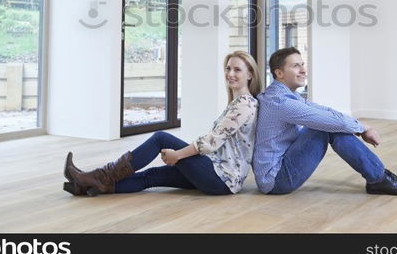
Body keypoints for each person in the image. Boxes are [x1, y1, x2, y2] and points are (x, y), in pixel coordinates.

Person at [64, 50, 262, 197]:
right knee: (152, 176)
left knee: (161, 138)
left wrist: (178, 154)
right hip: (217, 174)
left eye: (237, 69)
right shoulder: (237, 103)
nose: (230, 73)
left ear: (250, 74)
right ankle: (90, 185)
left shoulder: (245, 104)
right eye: (228, 68)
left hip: (221, 178)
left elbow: (210, 141)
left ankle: (99, 176)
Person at [252, 47, 397, 196]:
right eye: (296, 66)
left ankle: (379, 177)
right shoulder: (280, 102)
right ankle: (379, 178)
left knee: (329, 123)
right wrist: (363, 127)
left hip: (280, 169)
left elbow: (324, 111)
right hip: (277, 180)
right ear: (279, 73)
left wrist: (359, 126)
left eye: (302, 64)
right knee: (327, 127)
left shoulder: (285, 95)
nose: (303, 70)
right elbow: (329, 121)